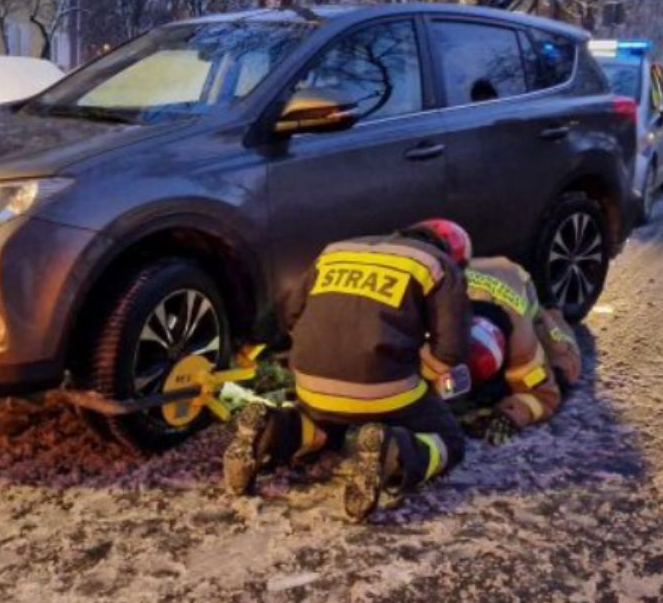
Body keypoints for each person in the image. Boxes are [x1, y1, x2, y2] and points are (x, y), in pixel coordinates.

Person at [222, 220, 472, 522]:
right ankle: (393, 451)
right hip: (384, 390)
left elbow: (290, 314)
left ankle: (271, 429)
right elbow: (450, 352)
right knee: (449, 439)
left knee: (325, 427)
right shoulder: (438, 266)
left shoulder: (337, 250)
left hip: (311, 382)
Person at [457, 256, 582, 445]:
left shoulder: (522, 348)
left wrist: (513, 415)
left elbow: (546, 397)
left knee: (565, 365)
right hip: (479, 271)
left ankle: (551, 309)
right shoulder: (438, 316)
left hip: (513, 278)